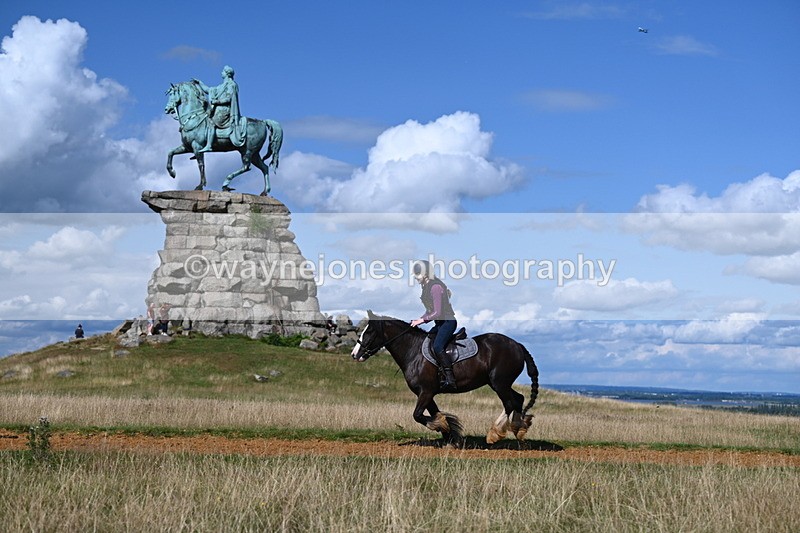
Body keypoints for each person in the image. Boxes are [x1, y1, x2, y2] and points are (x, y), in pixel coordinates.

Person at [410, 260, 458, 392]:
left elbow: (438, 312)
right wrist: (420, 318)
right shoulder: (426, 287)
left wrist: (421, 321)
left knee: (437, 346)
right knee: (427, 341)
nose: (415, 276)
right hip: (440, 323)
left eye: (417, 274)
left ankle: (450, 378)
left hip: (447, 322)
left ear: (425, 274)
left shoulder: (435, 287)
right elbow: (431, 311)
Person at [193, 65, 246, 152]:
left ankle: (209, 145)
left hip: (225, 111)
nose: (221, 73)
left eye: (223, 71)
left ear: (227, 74)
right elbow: (209, 90)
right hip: (218, 110)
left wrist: (217, 102)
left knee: (210, 122)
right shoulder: (221, 86)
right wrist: (200, 83)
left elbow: (229, 98)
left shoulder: (231, 85)